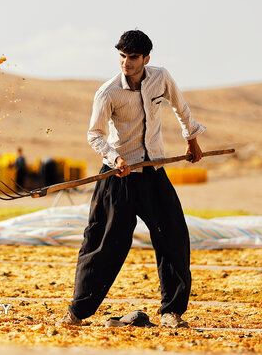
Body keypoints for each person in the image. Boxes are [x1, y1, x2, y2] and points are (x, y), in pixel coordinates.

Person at [58, 30, 205, 328]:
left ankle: (171, 312)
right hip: (118, 177)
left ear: (146, 59)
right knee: (103, 244)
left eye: (133, 57)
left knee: (174, 236)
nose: (126, 62)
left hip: (153, 173)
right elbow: (95, 135)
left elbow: (180, 106)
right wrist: (115, 158)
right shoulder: (108, 92)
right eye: (123, 56)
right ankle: (76, 313)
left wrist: (191, 139)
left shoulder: (160, 78)